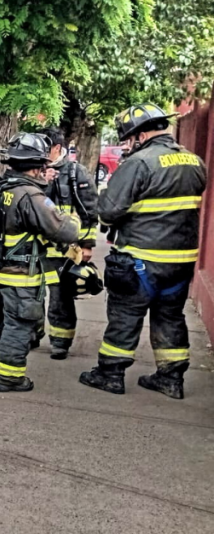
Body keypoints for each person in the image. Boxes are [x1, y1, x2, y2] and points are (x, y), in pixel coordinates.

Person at [80, 104, 207, 399]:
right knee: (170, 317)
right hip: (180, 262)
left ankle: (110, 374)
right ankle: (171, 378)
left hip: (141, 259)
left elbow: (109, 211)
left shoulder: (140, 162)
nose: (127, 144)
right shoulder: (194, 162)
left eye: (129, 138)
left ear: (141, 135)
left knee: (125, 315)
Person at [0, 133, 81, 392]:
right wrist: (75, 222)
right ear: (37, 165)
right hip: (20, 277)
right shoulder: (31, 196)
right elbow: (64, 231)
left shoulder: (1, 187)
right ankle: (8, 378)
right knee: (19, 325)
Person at [39, 128, 99, 360]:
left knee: (60, 298)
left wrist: (87, 245)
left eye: (45, 149)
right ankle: (32, 335)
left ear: (56, 148)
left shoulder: (76, 173)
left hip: (63, 251)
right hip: (35, 249)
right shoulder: (34, 170)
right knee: (31, 297)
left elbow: (90, 211)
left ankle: (60, 342)